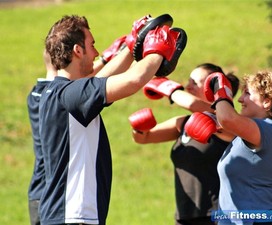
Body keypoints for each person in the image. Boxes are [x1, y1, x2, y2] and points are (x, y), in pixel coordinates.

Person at [38, 14, 186, 225]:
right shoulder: (71, 94)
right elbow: (134, 80)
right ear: (77, 51)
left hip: (66, 216)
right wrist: (157, 50)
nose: (97, 52)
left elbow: (102, 80)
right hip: (73, 217)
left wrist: (132, 45)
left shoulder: (59, 91)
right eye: (92, 45)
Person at [129, 63, 240, 225]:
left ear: (212, 87)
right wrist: (139, 128)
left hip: (217, 215)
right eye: (188, 82)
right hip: (184, 216)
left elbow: (193, 105)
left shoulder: (226, 123)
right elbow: (144, 138)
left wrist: (169, 88)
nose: (189, 87)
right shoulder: (184, 123)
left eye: (195, 82)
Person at [204, 70, 272, 224]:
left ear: (267, 101)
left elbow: (227, 118)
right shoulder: (246, 136)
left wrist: (221, 90)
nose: (240, 99)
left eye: (247, 93)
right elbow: (225, 122)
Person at [27, 49, 57, 225]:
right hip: (48, 196)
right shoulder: (56, 96)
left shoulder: (35, 93)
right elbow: (87, 84)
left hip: (37, 191)